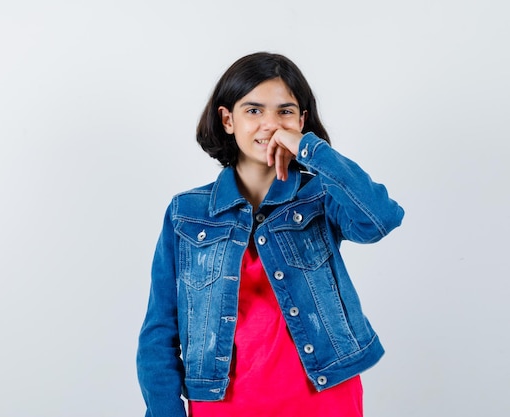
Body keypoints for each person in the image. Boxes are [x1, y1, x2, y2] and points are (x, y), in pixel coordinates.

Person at [136, 52, 404, 417]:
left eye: (285, 111)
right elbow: (159, 333)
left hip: (325, 399)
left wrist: (309, 149)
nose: (270, 125)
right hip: (224, 405)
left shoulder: (320, 196)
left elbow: (381, 218)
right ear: (227, 119)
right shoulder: (187, 213)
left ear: (301, 121)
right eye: (254, 110)